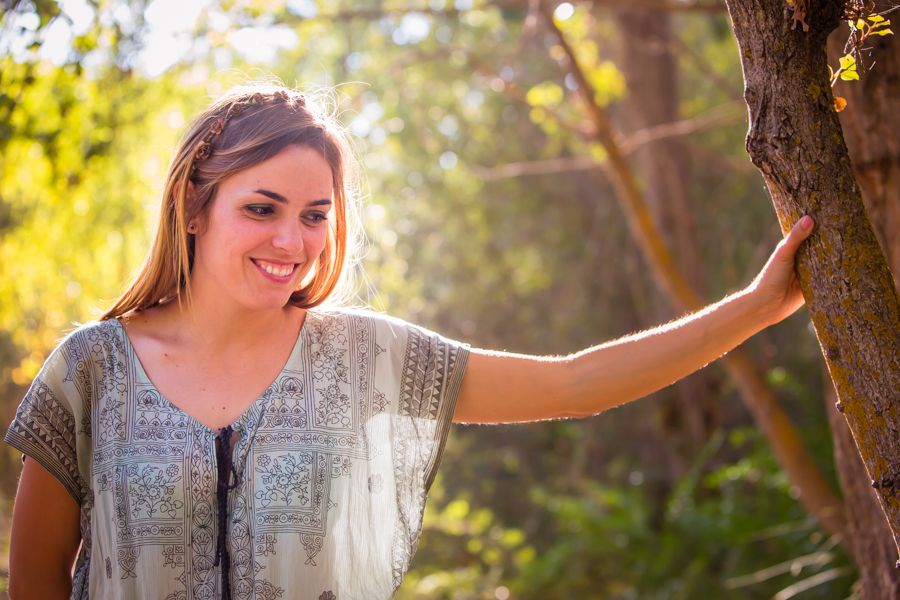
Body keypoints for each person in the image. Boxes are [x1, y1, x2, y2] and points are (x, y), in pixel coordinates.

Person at [5, 83, 815, 600]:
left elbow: (574, 384)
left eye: (315, 215)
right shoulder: (90, 369)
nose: (292, 240)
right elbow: (35, 581)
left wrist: (752, 308)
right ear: (193, 207)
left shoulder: (366, 359)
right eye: (262, 207)